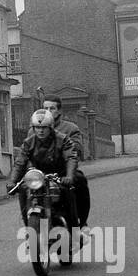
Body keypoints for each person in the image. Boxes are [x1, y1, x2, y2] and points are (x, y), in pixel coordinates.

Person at [6, 108, 79, 227]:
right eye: (37, 127)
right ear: (33, 128)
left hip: (59, 176)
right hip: (37, 178)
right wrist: (12, 181)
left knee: (68, 192)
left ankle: (75, 231)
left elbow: (71, 157)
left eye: (44, 127)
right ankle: (28, 226)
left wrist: (69, 176)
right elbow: (20, 162)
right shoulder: (29, 142)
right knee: (23, 190)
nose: (40, 131)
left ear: (50, 127)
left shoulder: (62, 139)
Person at [41, 95, 92, 228]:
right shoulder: (35, 128)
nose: (48, 111)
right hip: (41, 173)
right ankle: (30, 224)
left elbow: (77, 150)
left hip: (63, 171)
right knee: (24, 189)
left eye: (51, 108)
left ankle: (82, 222)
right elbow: (27, 150)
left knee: (80, 181)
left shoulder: (71, 128)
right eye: (45, 108)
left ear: (59, 111)